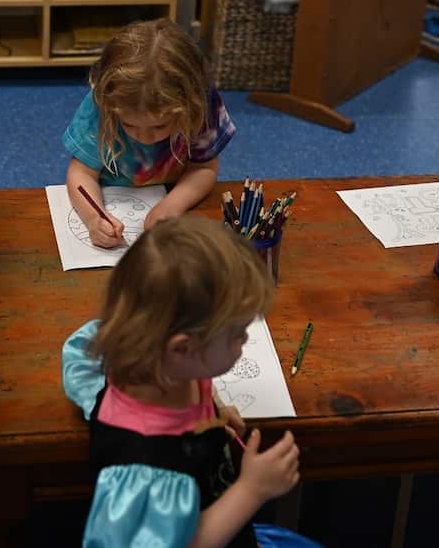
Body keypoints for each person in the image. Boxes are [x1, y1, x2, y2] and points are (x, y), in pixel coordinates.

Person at [62, 216, 319, 548]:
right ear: (182, 348)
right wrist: (250, 490)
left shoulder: (155, 362)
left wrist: (213, 415)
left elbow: (81, 350)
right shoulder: (145, 466)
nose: (244, 341)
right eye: (237, 334)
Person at [63, 19, 235, 248]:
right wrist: (94, 219)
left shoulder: (201, 106)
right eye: (129, 125)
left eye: (159, 127)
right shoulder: (103, 104)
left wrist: (172, 205)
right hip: (109, 197)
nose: (143, 138)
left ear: (188, 105)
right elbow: (81, 174)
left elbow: (203, 168)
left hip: (174, 194)